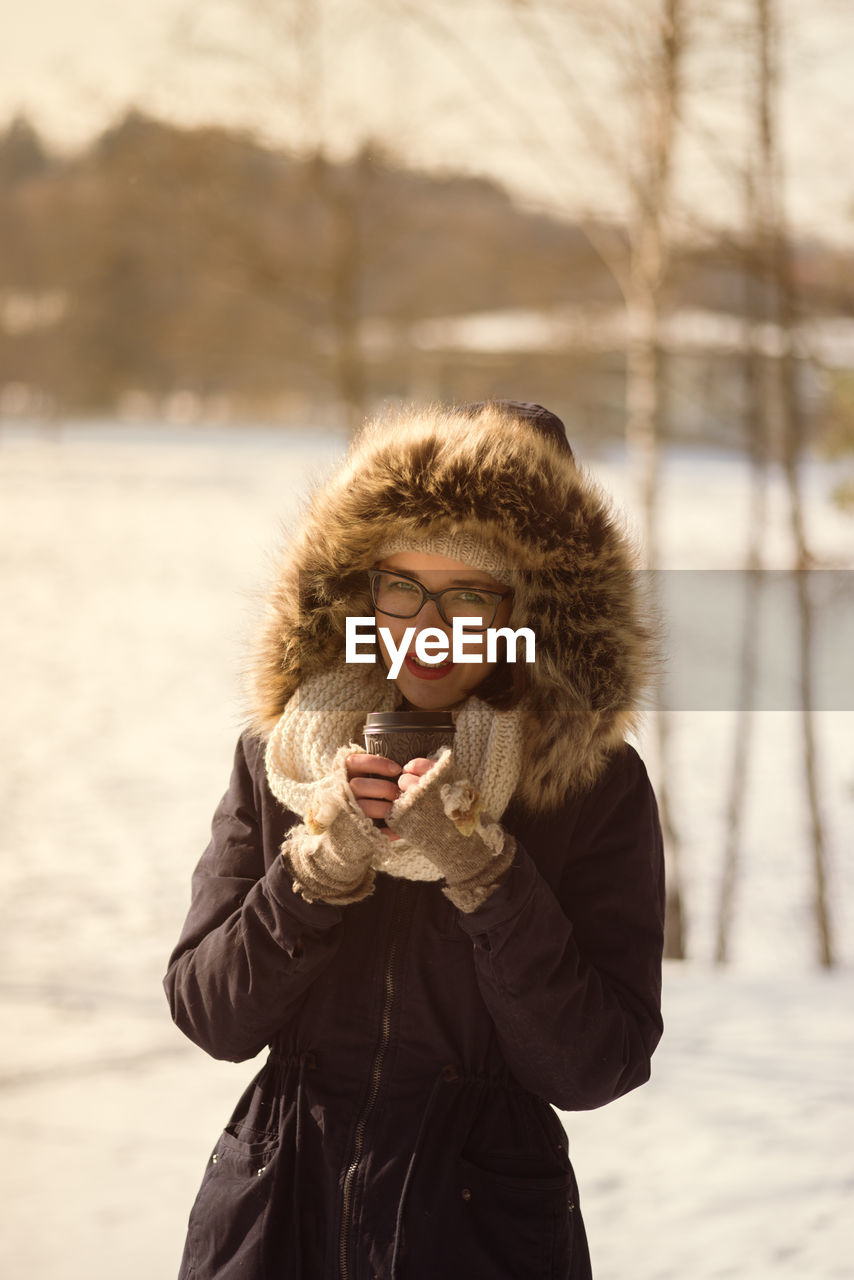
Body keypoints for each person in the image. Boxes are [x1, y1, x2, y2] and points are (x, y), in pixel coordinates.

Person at [164, 399, 665, 1280]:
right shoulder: (284, 755)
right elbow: (212, 1014)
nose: (428, 630)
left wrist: (484, 871)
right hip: (279, 1214)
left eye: (470, 595)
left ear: (528, 614)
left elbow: (595, 1066)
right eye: (404, 588)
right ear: (364, 589)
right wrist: (318, 868)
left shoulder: (590, 784)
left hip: (479, 1231)